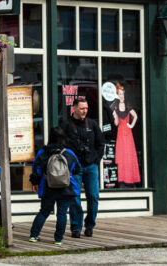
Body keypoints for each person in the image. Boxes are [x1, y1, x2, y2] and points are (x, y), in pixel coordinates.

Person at [28, 127, 81, 246]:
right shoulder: (69, 153)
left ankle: (34, 235)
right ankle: (58, 239)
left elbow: (36, 169)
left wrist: (35, 183)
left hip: (48, 187)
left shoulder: (43, 152)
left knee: (43, 212)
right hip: (66, 188)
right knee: (62, 214)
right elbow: (78, 169)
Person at [63, 96, 104, 238]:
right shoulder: (66, 125)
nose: (84, 111)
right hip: (75, 167)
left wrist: (96, 160)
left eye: (86, 108)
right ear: (73, 109)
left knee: (93, 196)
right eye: (81, 108)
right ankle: (76, 227)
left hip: (91, 166)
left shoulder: (92, 124)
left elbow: (100, 144)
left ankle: (90, 225)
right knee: (74, 197)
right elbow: (62, 147)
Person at [111, 83, 140, 186]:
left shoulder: (128, 105)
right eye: (119, 94)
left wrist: (131, 125)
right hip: (120, 134)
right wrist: (115, 116)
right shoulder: (115, 107)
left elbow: (135, 116)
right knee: (122, 157)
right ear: (117, 95)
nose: (121, 96)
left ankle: (131, 180)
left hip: (128, 134)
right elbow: (116, 123)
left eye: (122, 94)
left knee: (129, 156)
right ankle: (122, 180)